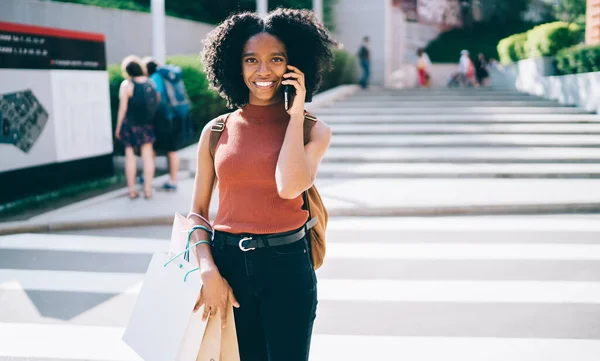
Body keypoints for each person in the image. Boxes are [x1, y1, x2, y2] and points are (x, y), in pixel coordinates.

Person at [188, 8, 334, 361]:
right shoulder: (216, 131)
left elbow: (289, 187)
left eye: (276, 59)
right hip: (226, 266)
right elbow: (196, 213)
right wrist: (208, 269)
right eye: (251, 59)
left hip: (287, 267)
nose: (264, 70)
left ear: (295, 65)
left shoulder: (312, 130)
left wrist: (295, 112)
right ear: (236, 66)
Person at [115, 55, 159, 199]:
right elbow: (157, 100)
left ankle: (132, 190)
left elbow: (122, 109)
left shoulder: (127, 85)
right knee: (147, 157)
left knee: (130, 157)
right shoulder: (150, 83)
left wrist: (118, 128)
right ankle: (148, 190)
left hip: (131, 124)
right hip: (146, 124)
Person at [143, 57, 189, 191]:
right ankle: (173, 180)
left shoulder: (154, 78)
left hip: (164, 118)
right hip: (175, 115)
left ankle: (150, 177)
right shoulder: (168, 77)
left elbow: (156, 97)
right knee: (172, 149)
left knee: (153, 146)